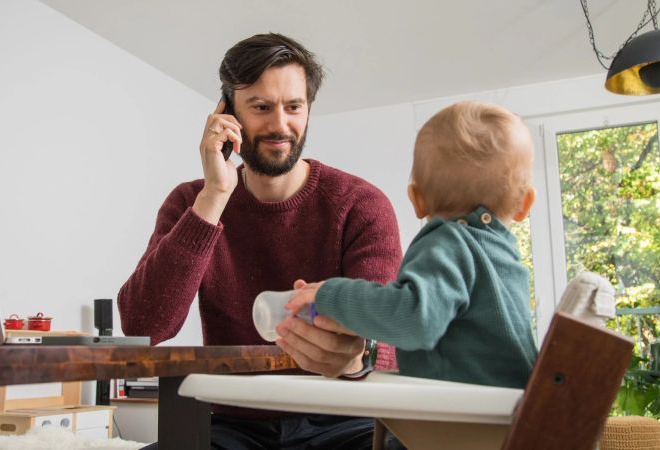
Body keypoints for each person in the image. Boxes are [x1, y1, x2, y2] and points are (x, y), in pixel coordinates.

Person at [118, 33, 404, 449]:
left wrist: (361, 353)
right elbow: (143, 326)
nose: (279, 125)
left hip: (344, 421)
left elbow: (389, 336)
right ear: (228, 115)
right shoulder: (191, 202)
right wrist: (215, 195)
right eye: (260, 107)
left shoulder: (361, 204)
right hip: (231, 426)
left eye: (293, 107)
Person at [285, 101, 539, 389]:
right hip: (512, 414)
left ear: (416, 200)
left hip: (463, 423)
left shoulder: (450, 243)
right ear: (524, 205)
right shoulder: (504, 257)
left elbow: (412, 318)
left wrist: (332, 294)